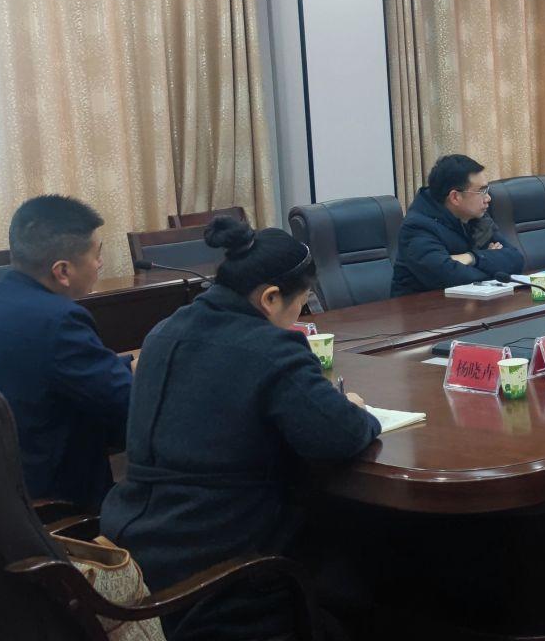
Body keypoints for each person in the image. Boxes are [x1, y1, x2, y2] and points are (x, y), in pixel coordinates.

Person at [102, 218, 380, 640]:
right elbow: (338, 436)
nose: (300, 315)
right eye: (301, 303)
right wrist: (356, 410)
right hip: (222, 568)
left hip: (138, 543)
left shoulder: (163, 331)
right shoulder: (270, 348)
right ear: (270, 297)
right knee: (366, 564)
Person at [0, 195, 130, 509]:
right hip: (49, 503)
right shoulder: (60, 320)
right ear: (62, 270)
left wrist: (124, 365)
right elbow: (129, 403)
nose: (100, 264)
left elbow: (46, 371)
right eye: (97, 255)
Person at [391, 153, 525, 297]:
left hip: (470, 303)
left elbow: (516, 259)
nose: (488, 198)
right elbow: (453, 278)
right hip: (424, 308)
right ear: (455, 197)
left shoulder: (476, 216)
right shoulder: (417, 227)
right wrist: (492, 260)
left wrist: (471, 258)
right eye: (481, 191)